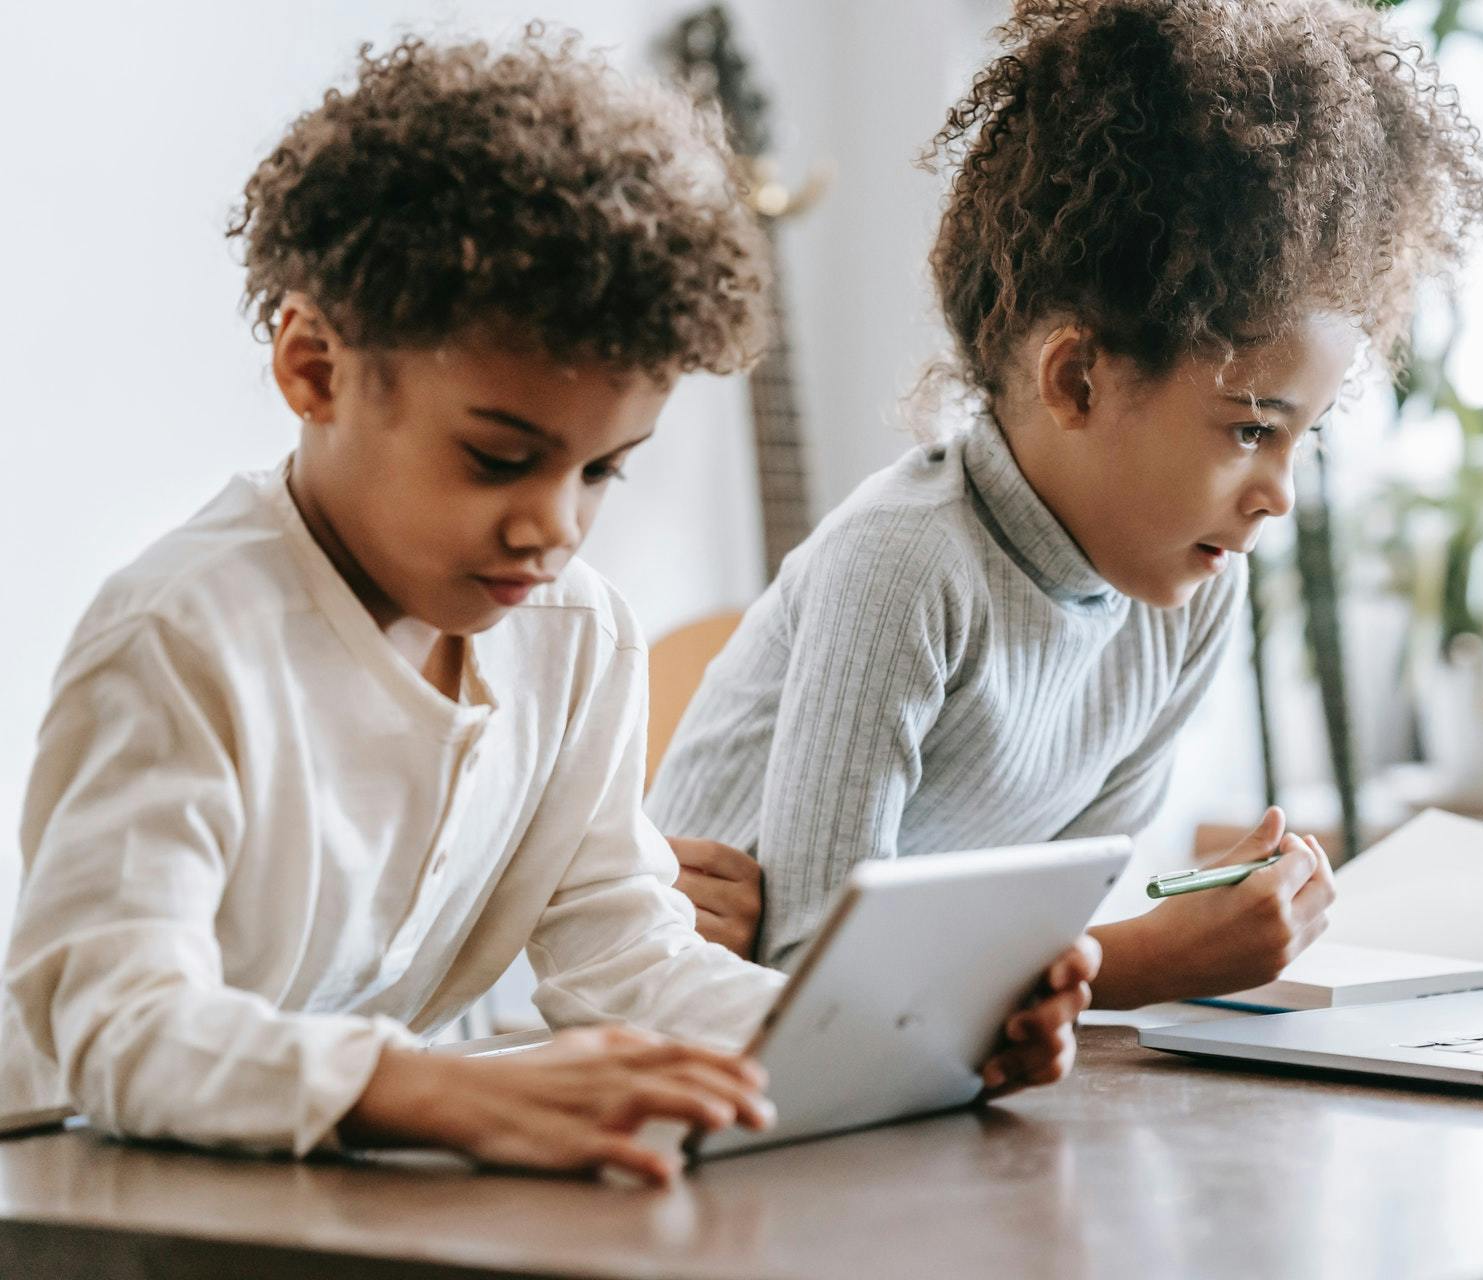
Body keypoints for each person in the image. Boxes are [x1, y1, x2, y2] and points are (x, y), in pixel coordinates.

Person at [0, 29, 1096, 1185]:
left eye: (601, 469)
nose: (554, 526)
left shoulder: (575, 637)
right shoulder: (180, 640)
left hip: (321, 1200)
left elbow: (627, 952)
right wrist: (437, 1089)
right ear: (314, 368)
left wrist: (908, 1045)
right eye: (496, 457)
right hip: (81, 1196)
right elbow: (116, 1022)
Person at [649, 0, 1483, 1002]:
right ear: (1077, 381)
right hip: (682, 1048)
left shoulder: (1187, 599)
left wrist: (1095, 956)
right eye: (1250, 429)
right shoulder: (905, 565)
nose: (1277, 494)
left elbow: (1036, 932)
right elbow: (820, 979)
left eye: (1302, 437)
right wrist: (1160, 957)